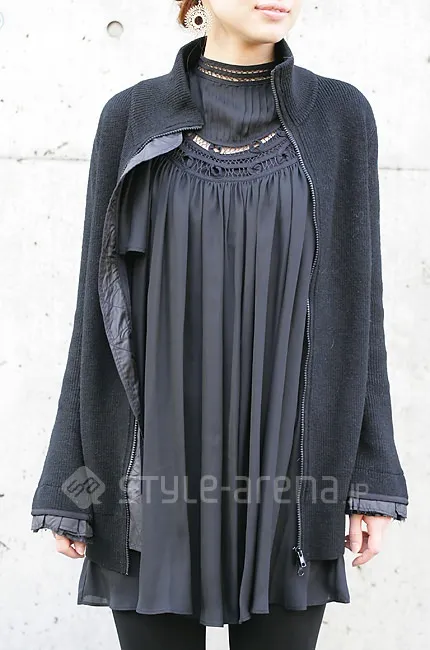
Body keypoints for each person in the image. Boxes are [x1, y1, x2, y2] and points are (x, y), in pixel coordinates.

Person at [30, 1, 409, 648]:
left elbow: (359, 309)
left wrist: (371, 479)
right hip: (152, 475)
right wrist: (73, 487)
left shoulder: (339, 118)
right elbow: (97, 315)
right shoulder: (131, 117)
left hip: (293, 477)